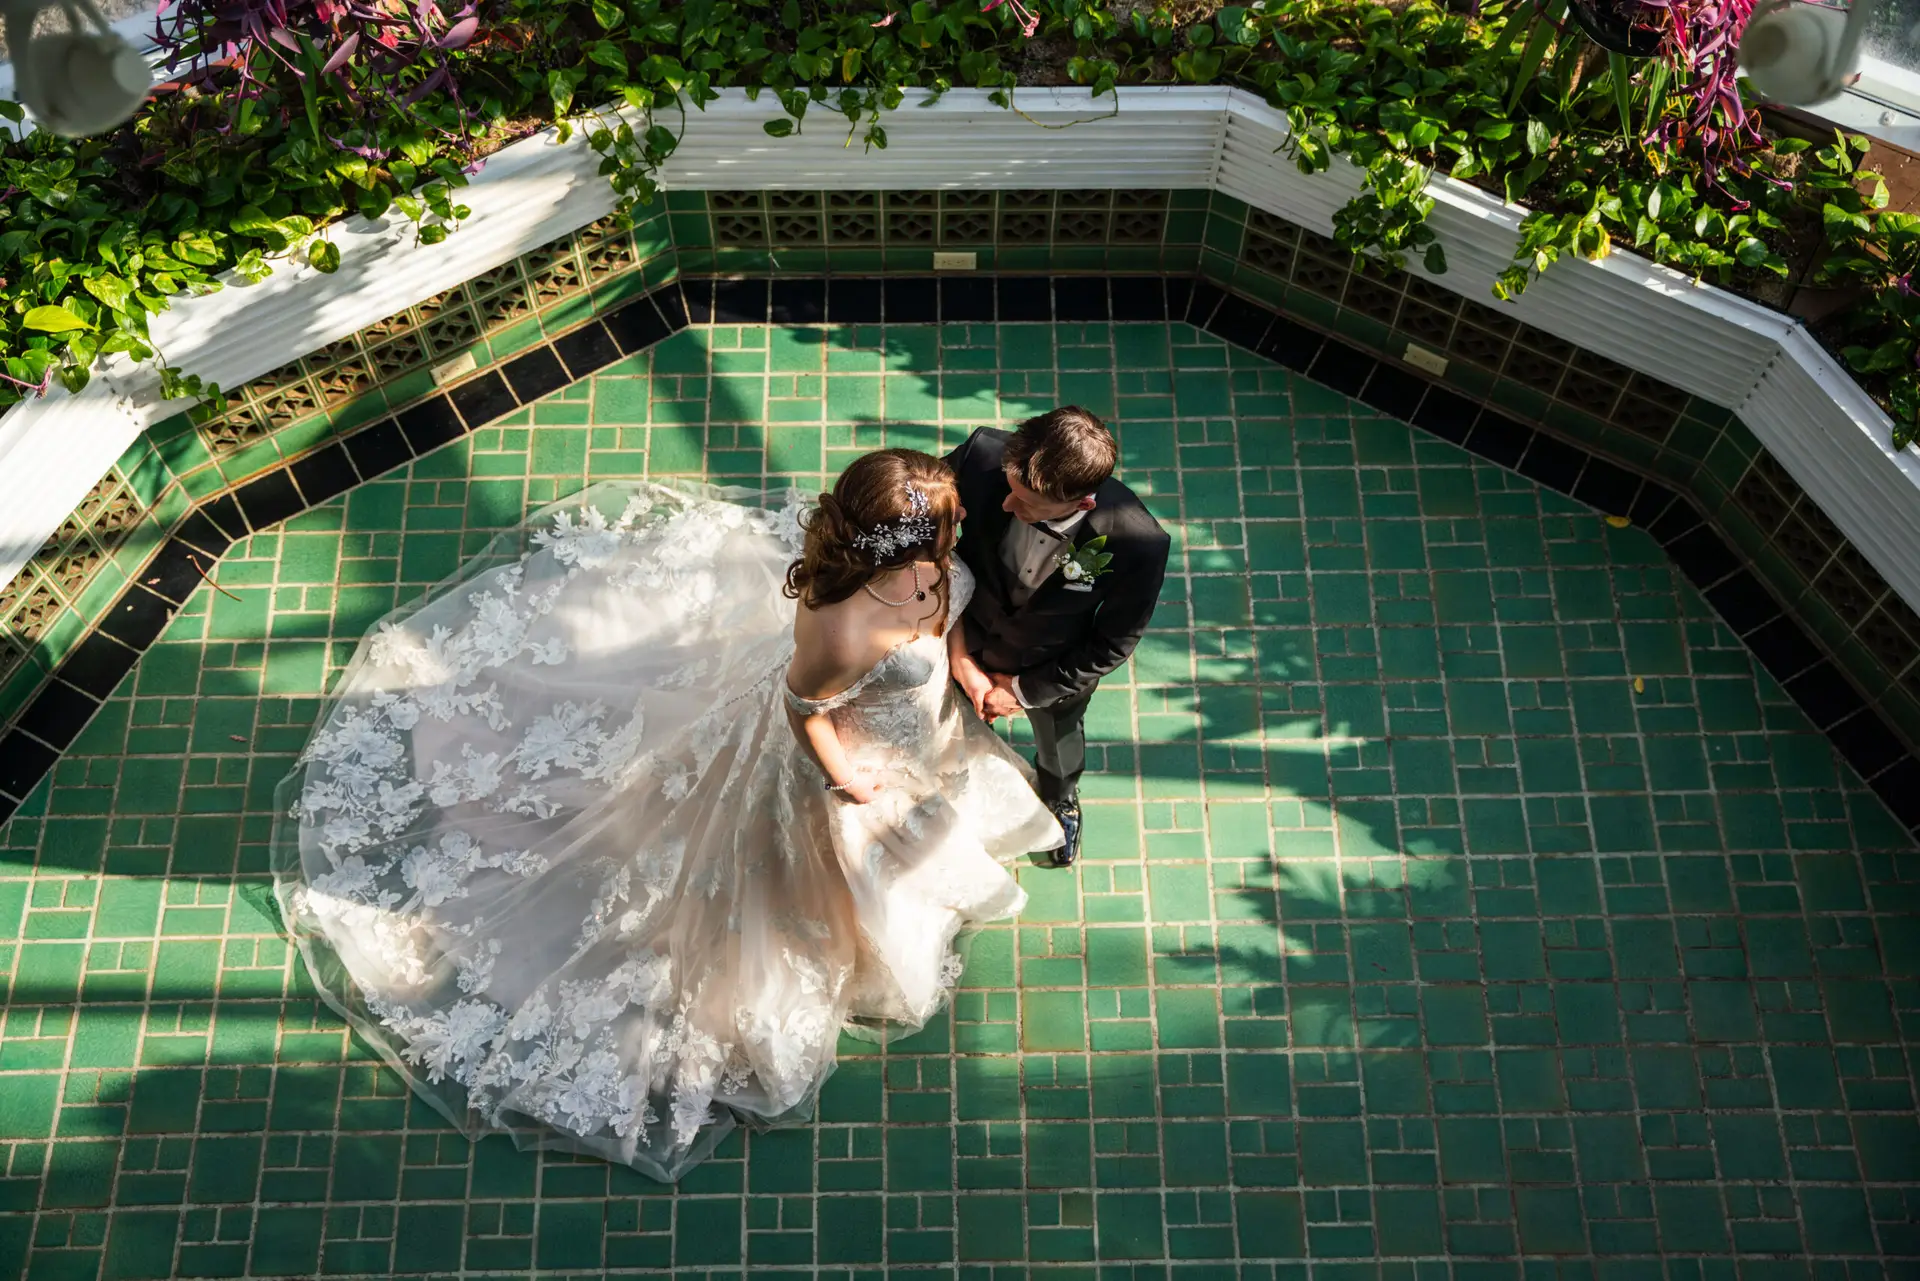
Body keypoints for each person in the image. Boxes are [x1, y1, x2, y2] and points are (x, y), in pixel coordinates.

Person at [269, 450, 1062, 1182]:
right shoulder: (839, 622)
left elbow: (940, 611)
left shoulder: (923, 561)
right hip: (851, 761)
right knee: (810, 871)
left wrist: (954, 660)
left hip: (915, 729)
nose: (952, 540)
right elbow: (803, 705)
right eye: (941, 527)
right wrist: (843, 776)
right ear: (896, 542)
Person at [945, 407, 1172, 866]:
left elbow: (1113, 643)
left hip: (1050, 669)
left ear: (1083, 503)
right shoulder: (980, 454)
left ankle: (1059, 799)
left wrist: (1022, 692)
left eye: (1026, 504)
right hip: (956, 631)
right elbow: (922, 528)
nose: (1008, 505)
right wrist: (959, 651)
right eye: (1009, 490)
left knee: (1060, 743)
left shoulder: (1137, 542)